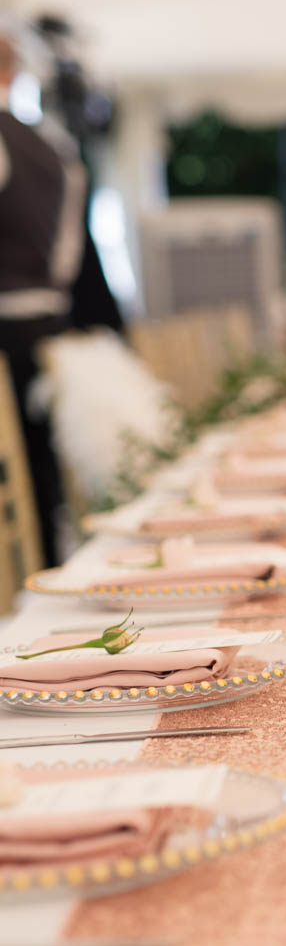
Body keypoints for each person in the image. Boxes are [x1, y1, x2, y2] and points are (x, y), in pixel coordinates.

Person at [0, 34, 122, 563]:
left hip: (5, 329)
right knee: (38, 469)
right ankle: (48, 565)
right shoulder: (56, 148)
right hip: (47, 322)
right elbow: (69, 256)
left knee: (24, 469)